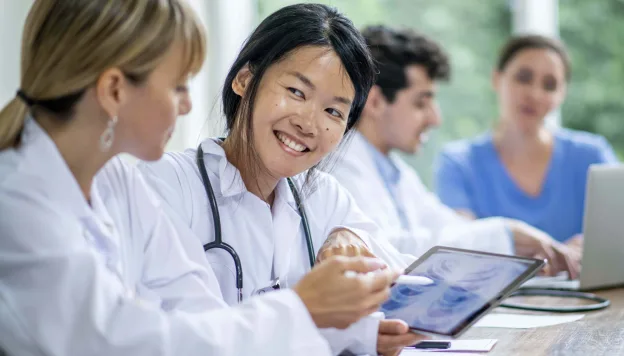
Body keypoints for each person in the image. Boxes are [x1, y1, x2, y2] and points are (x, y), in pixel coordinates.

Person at [0, 1, 399, 355]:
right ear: (115, 91)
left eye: (334, 111)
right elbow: (122, 342)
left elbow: (195, 308)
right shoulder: (20, 203)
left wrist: (336, 323)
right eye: (178, 86)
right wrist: (301, 309)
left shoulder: (117, 179)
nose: (189, 105)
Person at [137, 5, 423, 356]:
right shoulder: (166, 185)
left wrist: (352, 236)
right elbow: (194, 338)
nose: (309, 123)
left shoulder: (321, 196)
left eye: (333, 111)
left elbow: (396, 274)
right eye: (296, 92)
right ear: (244, 79)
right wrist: (309, 314)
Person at [329, 25, 579, 278]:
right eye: (421, 103)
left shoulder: (397, 173)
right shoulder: (340, 169)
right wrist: (506, 234)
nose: (435, 118)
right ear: (375, 102)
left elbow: (450, 228)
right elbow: (387, 249)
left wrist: (512, 246)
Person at [434, 34, 619, 250]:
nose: (534, 94)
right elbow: (461, 246)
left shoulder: (593, 156)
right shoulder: (458, 163)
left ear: (562, 94)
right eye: (523, 78)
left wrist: (589, 247)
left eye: (549, 85)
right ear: (496, 79)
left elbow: (620, 232)